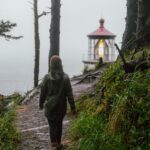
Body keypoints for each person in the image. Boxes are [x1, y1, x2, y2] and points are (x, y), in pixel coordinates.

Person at [39, 55, 76, 149]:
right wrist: (73, 107)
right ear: (60, 64)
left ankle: (53, 143)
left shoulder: (47, 78)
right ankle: (58, 144)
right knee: (59, 125)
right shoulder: (66, 78)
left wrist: (41, 104)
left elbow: (42, 92)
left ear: (51, 65)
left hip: (49, 107)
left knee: (52, 125)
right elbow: (70, 94)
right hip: (61, 107)